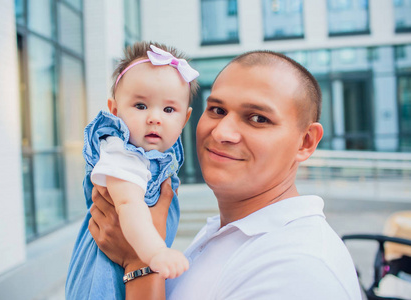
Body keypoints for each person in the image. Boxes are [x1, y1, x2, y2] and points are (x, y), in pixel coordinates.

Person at [88, 50, 363, 299]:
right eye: (217, 110)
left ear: (306, 142)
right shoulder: (227, 231)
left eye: (258, 118)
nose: (221, 133)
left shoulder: (299, 269)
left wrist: (139, 263)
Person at [65, 41, 199, 299]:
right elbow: (128, 205)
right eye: (140, 106)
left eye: (169, 109)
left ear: (185, 119)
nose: (154, 118)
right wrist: (155, 253)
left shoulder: (158, 154)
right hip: (104, 274)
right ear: (115, 110)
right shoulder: (123, 155)